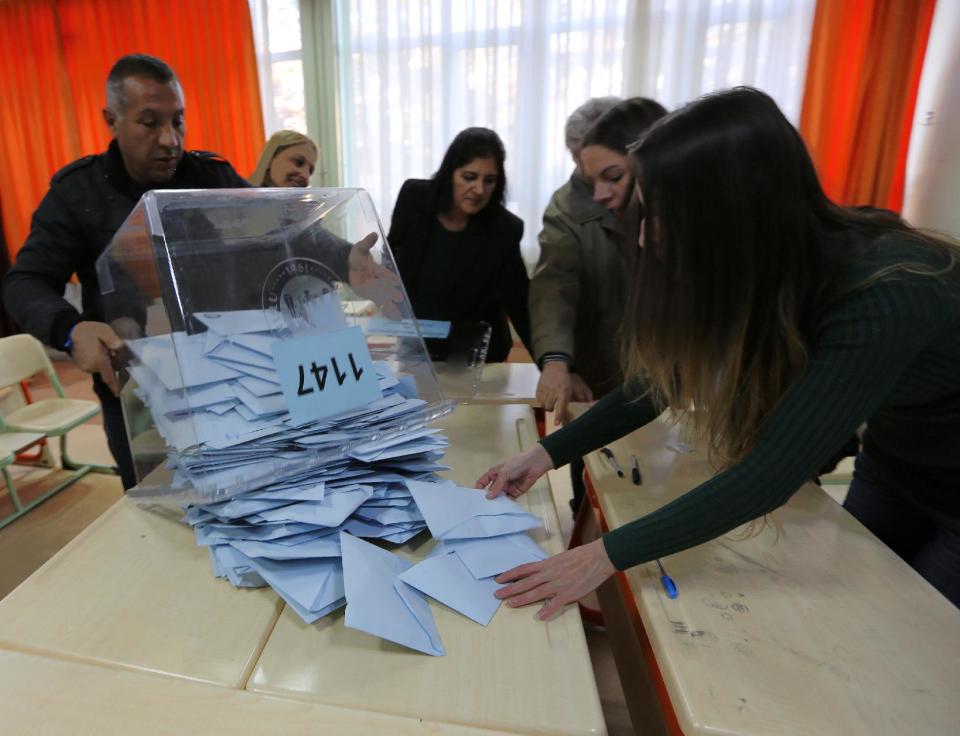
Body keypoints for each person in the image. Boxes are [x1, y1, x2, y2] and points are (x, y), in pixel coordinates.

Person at [476, 87, 960, 618]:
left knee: (922, 635)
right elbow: (660, 385)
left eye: (659, 213)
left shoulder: (888, 287)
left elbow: (770, 472)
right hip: (894, 463)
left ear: (728, 209)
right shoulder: (771, 264)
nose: (644, 238)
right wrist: (544, 455)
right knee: (871, 611)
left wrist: (605, 555)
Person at [2, 54, 252, 489]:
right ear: (111, 119)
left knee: (248, 493)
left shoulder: (211, 176)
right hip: (139, 391)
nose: (170, 140)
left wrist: (344, 257)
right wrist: (70, 329)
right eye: (150, 123)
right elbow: (26, 282)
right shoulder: (77, 193)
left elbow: (275, 227)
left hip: (229, 375)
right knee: (160, 509)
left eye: (178, 121)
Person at [531, 96, 667, 514]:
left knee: (656, 480)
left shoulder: (677, 209)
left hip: (667, 366)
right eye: (584, 172)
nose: (598, 192)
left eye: (610, 176)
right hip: (603, 365)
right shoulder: (567, 205)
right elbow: (554, 285)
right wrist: (558, 361)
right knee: (593, 481)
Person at [388, 127, 532, 363]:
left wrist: (554, 364)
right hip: (419, 343)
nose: (479, 190)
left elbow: (520, 304)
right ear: (450, 173)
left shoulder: (505, 229)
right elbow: (392, 256)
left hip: (480, 351)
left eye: (490, 180)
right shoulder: (414, 198)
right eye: (469, 177)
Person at [249, 130, 318, 187]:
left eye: (310, 171)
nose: (305, 175)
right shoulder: (242, 201)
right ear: (270, 159)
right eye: (298, 162)